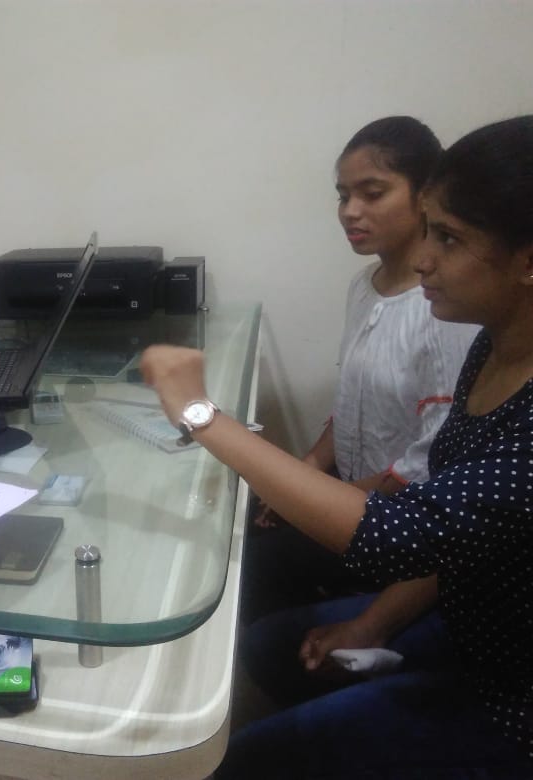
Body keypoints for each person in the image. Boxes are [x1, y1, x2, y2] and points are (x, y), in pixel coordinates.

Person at [141, 116, 533, 777]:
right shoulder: (492, 346)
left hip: (512, 695)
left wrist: (200, 413)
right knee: (268, 648)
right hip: (468, 617)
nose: (426, 259)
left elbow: (402, 534)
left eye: (448, 238)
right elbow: (455, 524)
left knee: (244, 762)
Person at [244, 116, 478, 622]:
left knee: (251, 572)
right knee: (245, 534)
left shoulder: (443, 309)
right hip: (349, 491)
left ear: (425, 197)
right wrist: (308, 468)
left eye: (373, 194)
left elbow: (432, 459)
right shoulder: (363, 286)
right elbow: (351, 401)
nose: (351, 211)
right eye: (343, 196)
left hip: (397, 521)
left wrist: (320, 501)